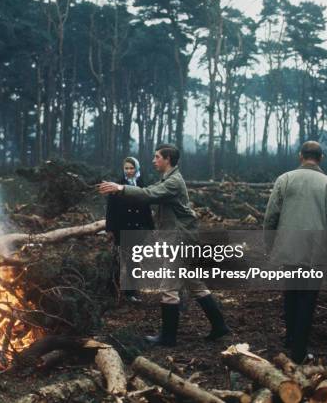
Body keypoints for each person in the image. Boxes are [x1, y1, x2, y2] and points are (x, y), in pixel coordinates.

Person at [98, 144, 230, 346]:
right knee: (195, 285)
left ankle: (168, 337)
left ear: (167, 159)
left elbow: (149, 194)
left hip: (180, 240)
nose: (153, 160)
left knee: (168, 288)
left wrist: (121, 188)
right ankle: (220, 326)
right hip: (181, 238)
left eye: (157, 156)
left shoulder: (173, 182)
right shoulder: (169, 179)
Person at [264, 141, 327, 363]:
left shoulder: (285, 179)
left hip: (289, 248)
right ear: (322, 157)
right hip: (315, 252)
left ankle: (290, 339)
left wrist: (269, 244)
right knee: (307, 300)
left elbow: (271, 216)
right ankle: (298, 353)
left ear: (301, 155)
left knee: (290, 293)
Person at [105, 157, 154, 302]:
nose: (129, 171)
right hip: (122, 226)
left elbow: (147, 206)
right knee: (125, 259)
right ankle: (122, 291)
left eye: (131, 168)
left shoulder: (141, 183)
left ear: (136, 168)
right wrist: (110, 228)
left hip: (139, 227)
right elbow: (110, 208)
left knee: (135, 259)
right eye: (126, 168)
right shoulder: (117, 184)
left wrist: (150, 227)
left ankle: (131, 291)